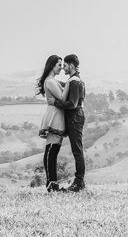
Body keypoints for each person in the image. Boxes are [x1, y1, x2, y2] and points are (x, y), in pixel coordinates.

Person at [51, 53, 87, 192]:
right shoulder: (75, 79)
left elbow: (72, 104)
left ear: (71, 66)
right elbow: (66, 86)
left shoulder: (74, 81)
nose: (63, 68)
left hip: (75, 118)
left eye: (65, 65)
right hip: (77, 117)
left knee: (77, 150)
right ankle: (79, 181)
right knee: (77, 150)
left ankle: (79, 182)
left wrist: (56, 102)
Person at [36, 54, 69, 192]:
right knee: (51, 149)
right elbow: (61, 97)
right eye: (59, 65)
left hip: (57, 115)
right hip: (54, 115)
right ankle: (51, 184)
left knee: (53, 149)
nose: (61, 68)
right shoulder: (50, 81)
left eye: (62, 65)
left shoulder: (53, 80)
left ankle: (52, 183)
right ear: (51, 65)